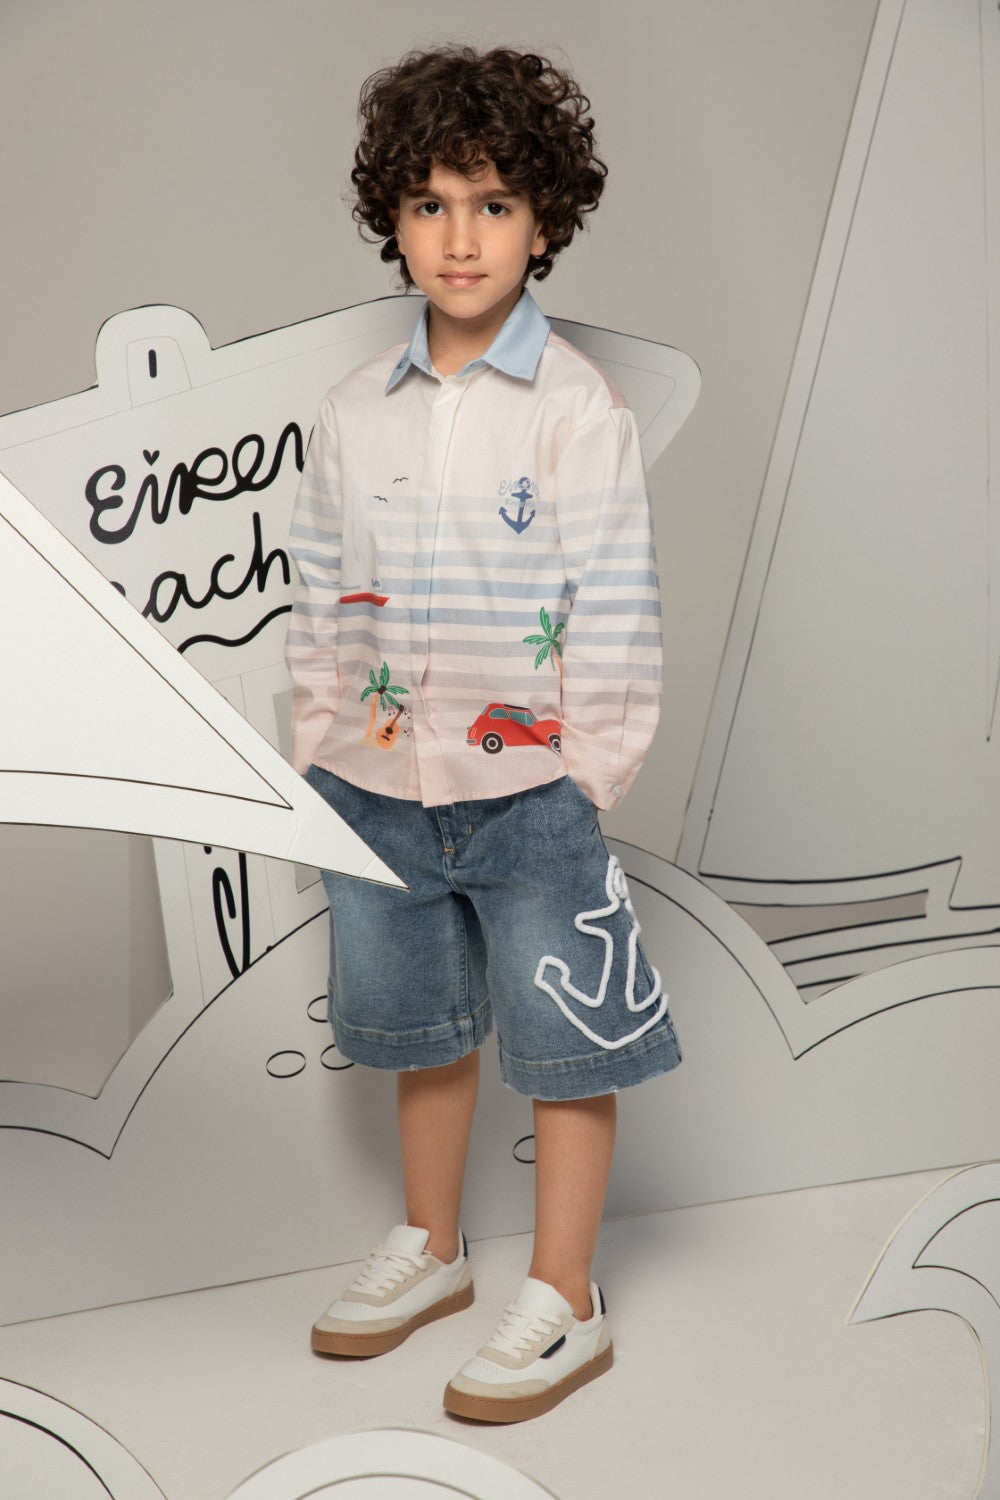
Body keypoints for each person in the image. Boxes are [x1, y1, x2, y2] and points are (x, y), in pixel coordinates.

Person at [284, 43, 681, 1424]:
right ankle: (433, 1246)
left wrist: (592, 769)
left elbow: (615, 590)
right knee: (422, 1030)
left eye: (494, 204)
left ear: (545, 220)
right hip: (373, 789)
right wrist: (316, 747)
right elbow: (319, 590)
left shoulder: (575, 407)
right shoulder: (352, 412)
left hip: (530, 793)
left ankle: (566, 1296)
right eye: (432, 204)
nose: (461, 238)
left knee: (568, 1042)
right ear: (393, 220)